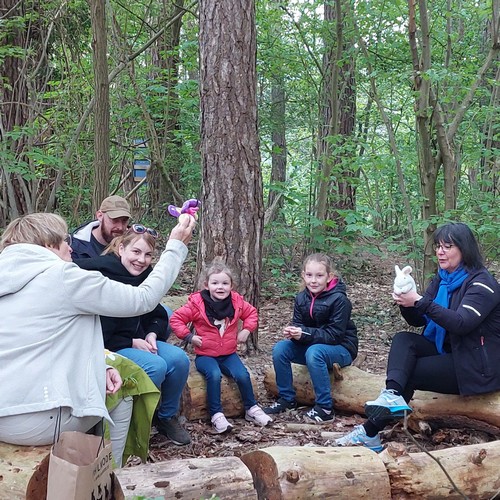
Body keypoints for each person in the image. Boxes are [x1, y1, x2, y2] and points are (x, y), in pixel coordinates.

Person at [0, 212, 194, 450]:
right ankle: (110, 474)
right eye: (65, 241)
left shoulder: (8, 279)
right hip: (38, 419)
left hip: (5, 411)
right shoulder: (63, 277)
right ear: (49, 244)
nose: (71, 249)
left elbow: (40, 344)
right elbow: (142, 299)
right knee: (123, 394)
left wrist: (101, 366)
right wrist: (176, 246)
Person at [336, 222, 500, 452]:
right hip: (450, 352)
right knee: (404, 340)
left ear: (465, 249)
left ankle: (369, 433)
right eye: (438, 246)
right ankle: (391, 396)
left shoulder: (483, 284)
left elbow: (461, 323)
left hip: (476, 367)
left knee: (409, 371)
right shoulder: (442, 279)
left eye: (448, 246)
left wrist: (420, 301)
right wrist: (405, 300)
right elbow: (419, 320)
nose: (440, 252)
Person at [76, 225, 191, 445]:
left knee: (179, 360)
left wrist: (152, 333)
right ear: (121, 249)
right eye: (136, 252)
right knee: (155, 366)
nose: (141, 260)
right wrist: (131, 341)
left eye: (148, 254)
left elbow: (157, 313)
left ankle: (165, 417)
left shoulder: (146, 275)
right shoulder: (100, 273)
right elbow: (98, 332)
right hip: (108, 346)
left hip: (136, 339)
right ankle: (131, 424)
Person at [170, 261, 272, 433]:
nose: (220, 287)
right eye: (215, 283)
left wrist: (247, 330)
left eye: (225, 283)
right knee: (214, 375)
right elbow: (176, 319)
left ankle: (251, 408)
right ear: (206, 285)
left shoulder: (236, 302)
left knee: (242, 374)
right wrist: (189, 336)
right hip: (205, 355)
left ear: (231, 286)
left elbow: (252, 313)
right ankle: (216, 414)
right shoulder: (197, 304)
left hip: (228, 353)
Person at [263, 253, 358, 424]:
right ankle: (287, 399)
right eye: (309, 275)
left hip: (342, 349)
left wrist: (304, 333)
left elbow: (335, 335)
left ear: (330, 277)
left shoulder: (340, 300)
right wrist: (294, 334)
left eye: (319, 275)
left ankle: (325, 408)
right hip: (314, 346)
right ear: (303, 275)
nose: (313, 280)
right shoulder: (301, 298)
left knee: (315, 352)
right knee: (281, 349)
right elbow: (300, 326)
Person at [71, 195, 131, 259]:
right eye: (115, 220)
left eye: (124, 221)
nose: (120, 227)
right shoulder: (76, 247)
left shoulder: (132, 244)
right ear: (100, 216)